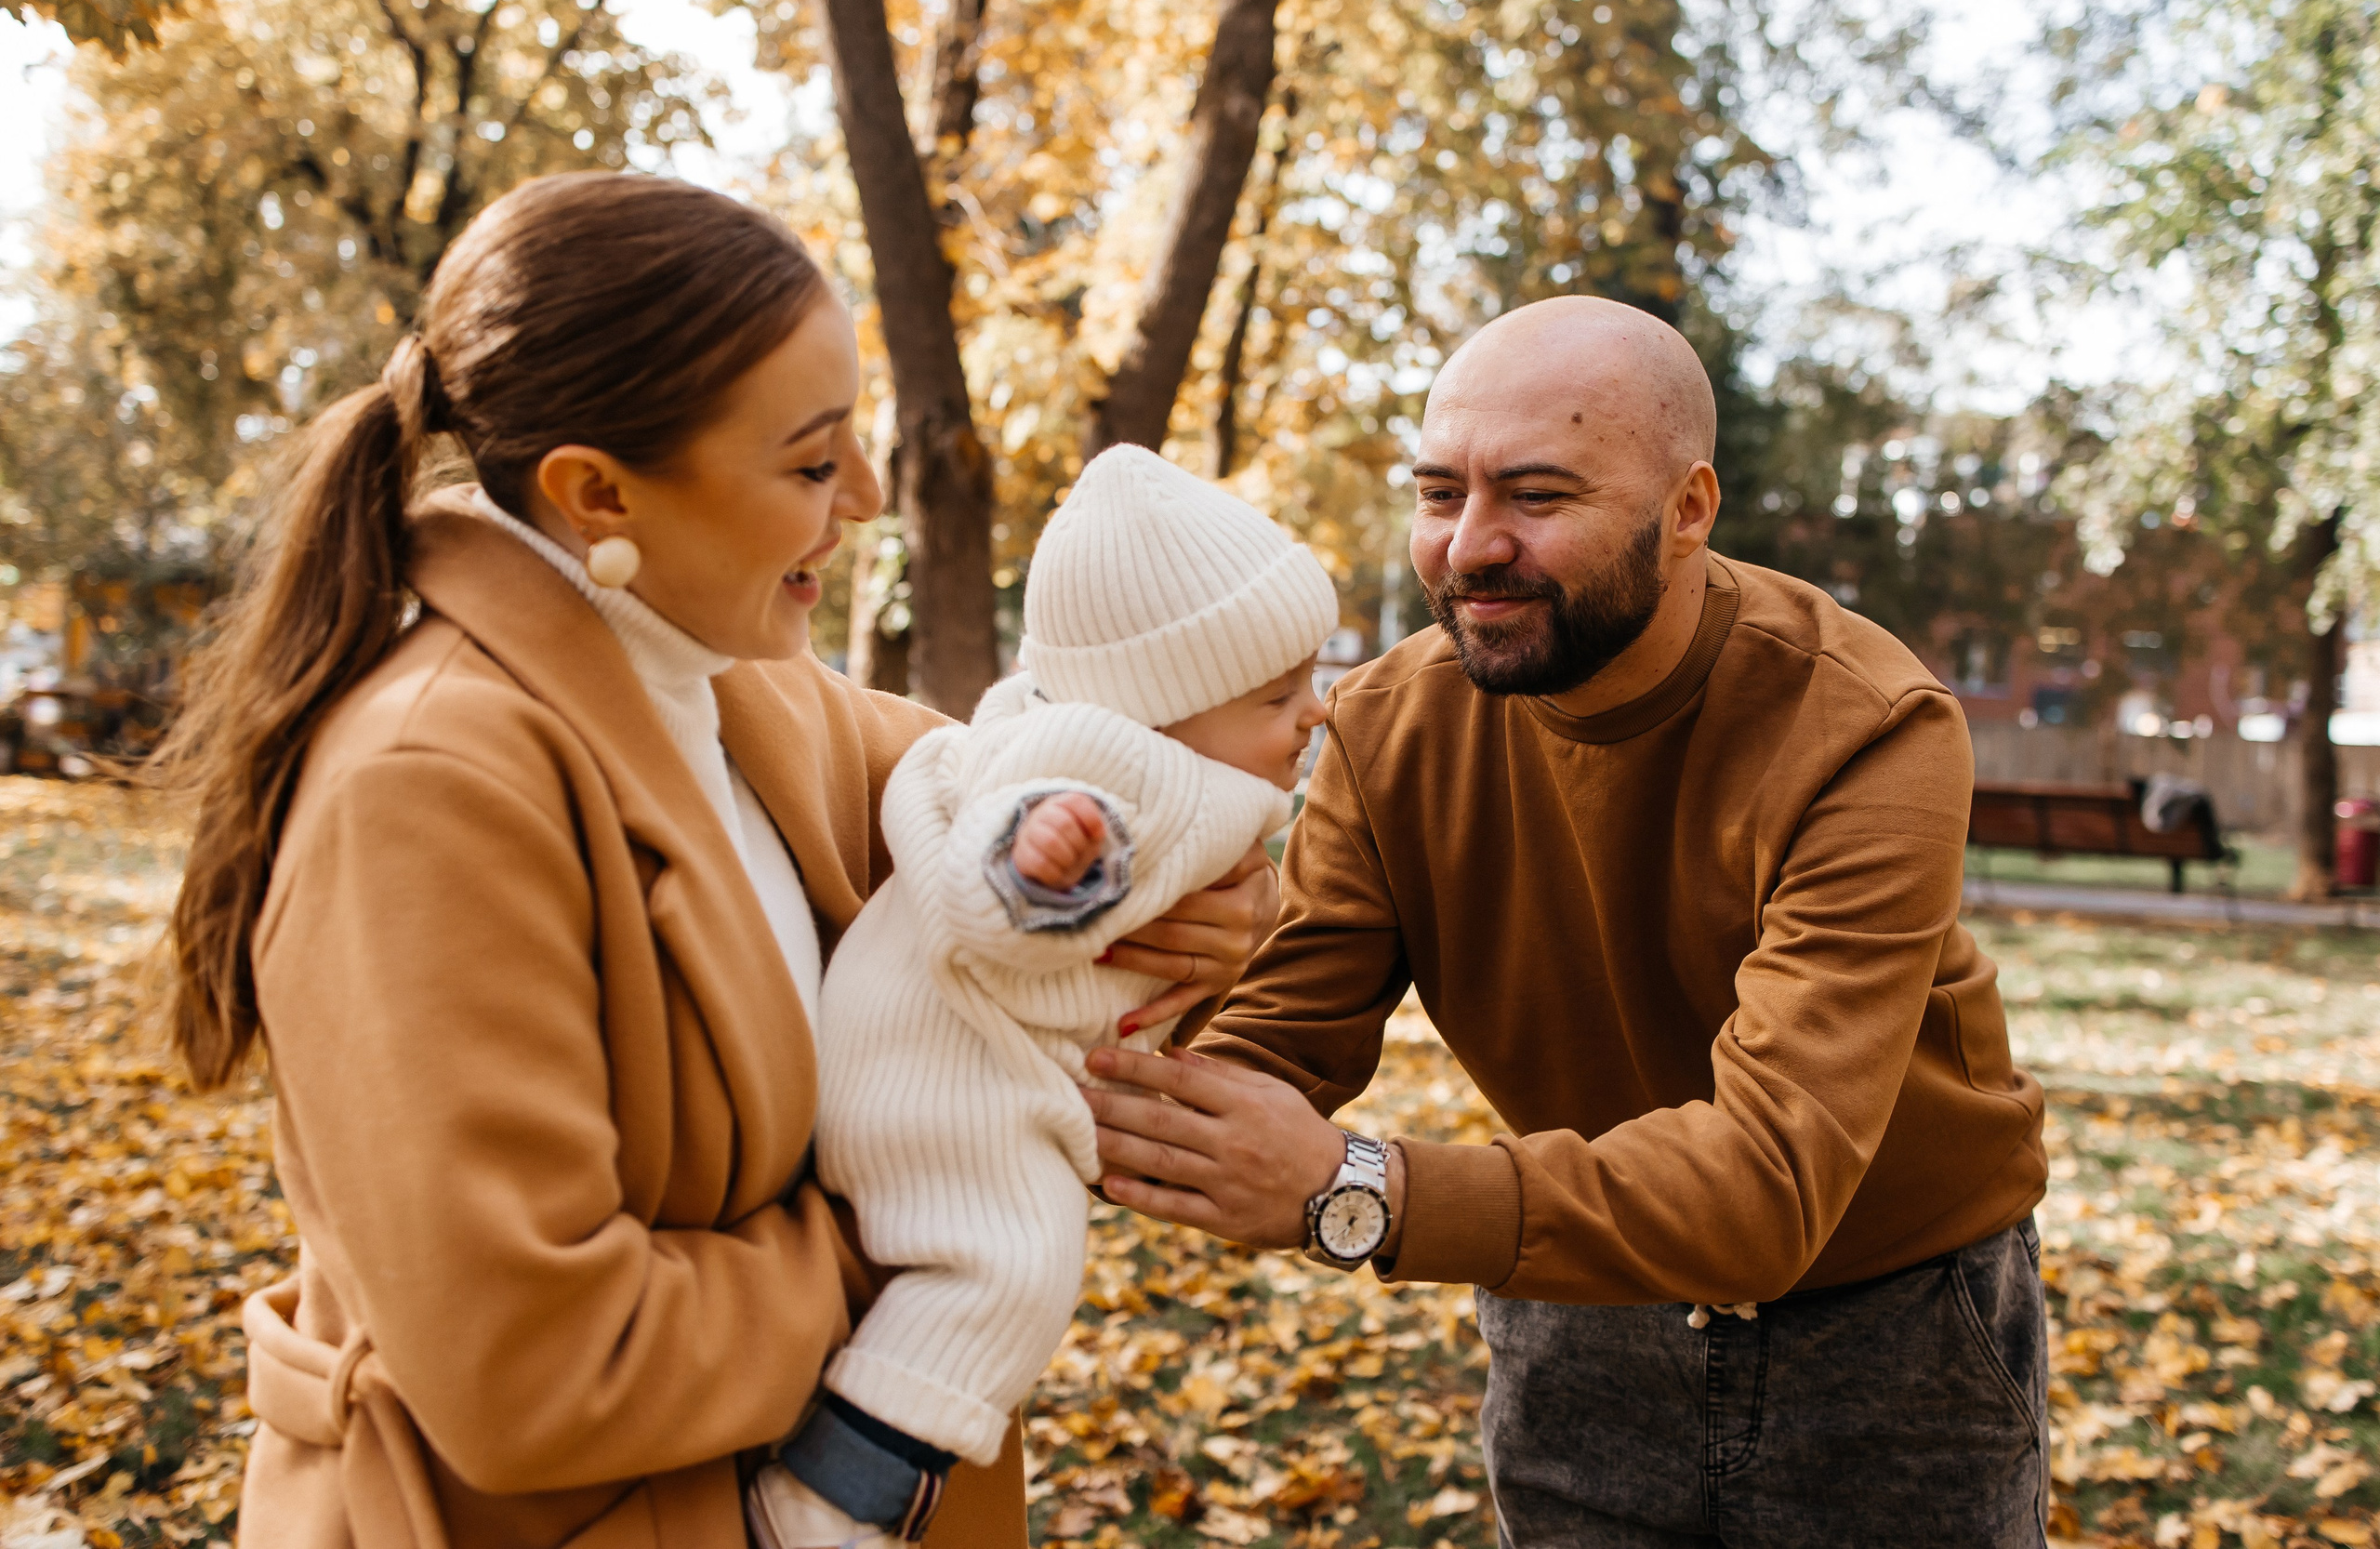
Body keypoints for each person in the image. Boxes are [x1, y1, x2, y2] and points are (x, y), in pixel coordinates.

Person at [155, 172, 1277, 1549]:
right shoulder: (429, 790)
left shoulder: (749, 690)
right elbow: (537, 1365)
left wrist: (1216, 900)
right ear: (596, 491)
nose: (865, 495)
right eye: (811, 462)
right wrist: (923, 1241)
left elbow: (1087, 838)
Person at [1083, 296, 2052, 1546]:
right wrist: (1137, 998)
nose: (1469, 547)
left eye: (1534, 495)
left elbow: (1767, 1186)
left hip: (1893, 1327)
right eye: (1440, 494)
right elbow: (1277, 1041)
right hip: (1572, 1297)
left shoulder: (1866, 721)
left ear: (1688, 509)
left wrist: (1356, 1186)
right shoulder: (1387, 725)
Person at [751, 444, 1336, 1548]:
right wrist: (1040, 867)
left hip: (939, 1053)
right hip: (956, 1077)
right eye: (1277, 694)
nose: (1313, 714)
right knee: (1007, 1275)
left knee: (1004, 1274)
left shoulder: (1088, 738)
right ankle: (828, 1505)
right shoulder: (1110, 772)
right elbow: (996, 886)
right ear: (1164, 709)